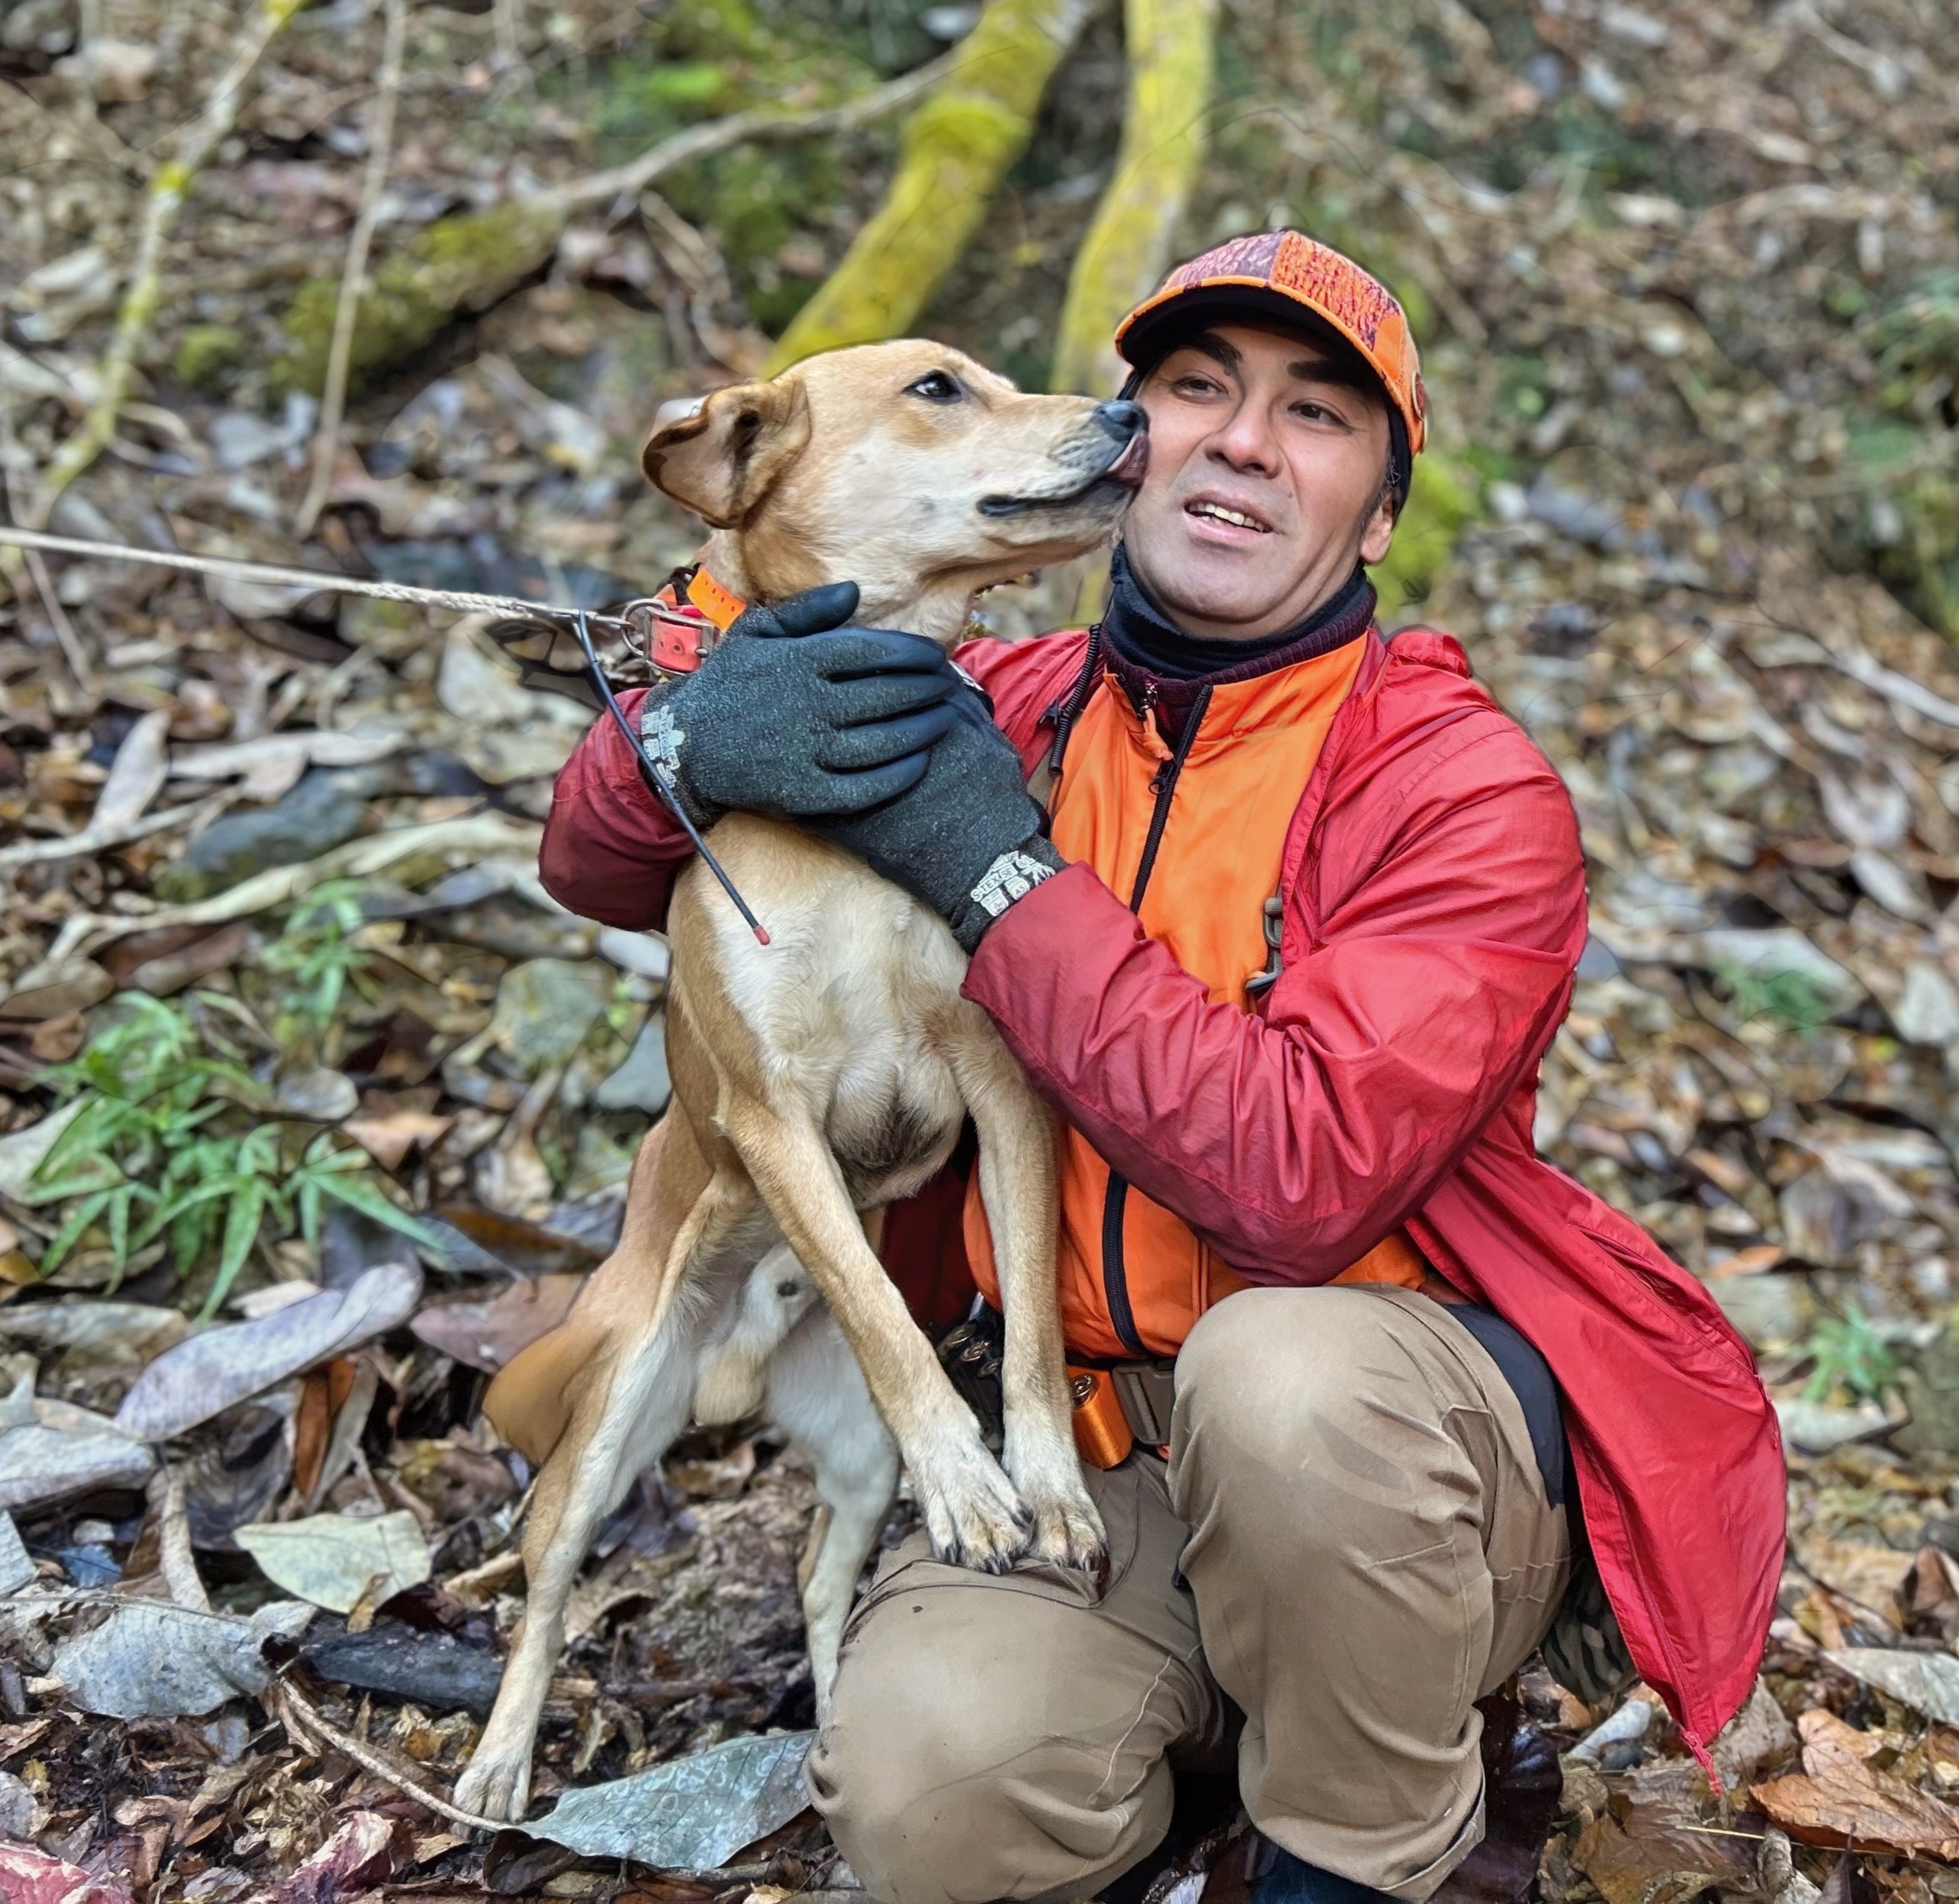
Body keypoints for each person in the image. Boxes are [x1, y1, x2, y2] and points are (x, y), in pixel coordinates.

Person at [539, 230, 1785, 1904]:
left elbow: (1296, 1180)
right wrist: (680, 744)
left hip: (1378, 1449)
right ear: (1127, 449)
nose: (1245, 440)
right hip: (1098, 1454)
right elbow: (601, 867)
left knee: (1284, 1382)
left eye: (1318, 415)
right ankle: (1175, 1741)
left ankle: (1354, 1841)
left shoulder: (1461, 790)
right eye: (1197, 390)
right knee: (931, 1799)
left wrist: (1002, 880)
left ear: (1381, 518)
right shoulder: (1008, 702)